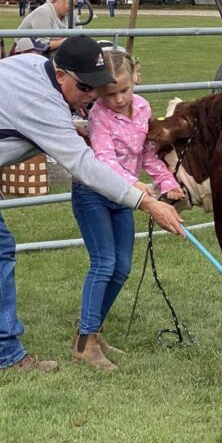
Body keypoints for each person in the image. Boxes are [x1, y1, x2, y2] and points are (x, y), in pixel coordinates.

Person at [0, 35, 184, 371]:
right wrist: (145, 201)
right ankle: (5, 354)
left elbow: (22, 116)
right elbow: (83, 165)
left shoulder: (35, 66)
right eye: (85, 87)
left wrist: (70, 128)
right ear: (61, 75)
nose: (92, 96)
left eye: (97, 87)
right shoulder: (42, 101)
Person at [70, 49, 184, 370]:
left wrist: (165, 183)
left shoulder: (144, 107)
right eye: (109, 94)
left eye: (124, 91)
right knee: (104, 263)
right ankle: (84, 342)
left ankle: (91, 329)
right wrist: (136, 186)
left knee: (121, 268)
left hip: (124, 197)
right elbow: (104, 161)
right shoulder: (99, 116)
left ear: (136, 77)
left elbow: (148, 154)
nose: (118, 99)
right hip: (93, 192)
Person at [13, 0, 80, 55]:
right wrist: (68, 40)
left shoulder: (71, 14)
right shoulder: (44, 12)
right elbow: (43, 46)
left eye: (75, 6)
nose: (72, 8)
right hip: (26, 55)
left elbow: (80, 35)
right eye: (70, 4)